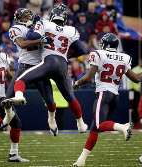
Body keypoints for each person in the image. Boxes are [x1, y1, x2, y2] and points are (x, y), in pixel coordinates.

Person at [72, 33, 142, 167]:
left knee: (99, 124)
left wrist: (76, 83)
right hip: (115, 96)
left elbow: (88, 77)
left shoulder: (99, 54)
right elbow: (136, 79)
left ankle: (123, 126)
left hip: (103, 94)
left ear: (105, 44)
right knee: (95, 129)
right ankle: (81, 160)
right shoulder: (124, 57)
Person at [8, 5, 88, 133]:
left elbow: (30, 38)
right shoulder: (71, 30)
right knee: (70, 97)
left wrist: (35, 25)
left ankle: (18, 96)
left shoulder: (45, 24)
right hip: (63, 66)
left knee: (21, 79)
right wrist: (67, 54)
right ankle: (81, 123)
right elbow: (82, 50)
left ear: (52, 17)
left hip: (48, 62)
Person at [0, 8, 59, 136]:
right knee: (7, 99)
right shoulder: (16, 29)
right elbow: (22, 44)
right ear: (19, 18)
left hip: (40, 67)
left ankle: (51, 119)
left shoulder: (39, 26)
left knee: (50, 100)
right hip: (25, 66)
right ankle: (9, 115)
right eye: (24, 16)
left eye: (28, 15)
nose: (27, 18)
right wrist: (41, 40)